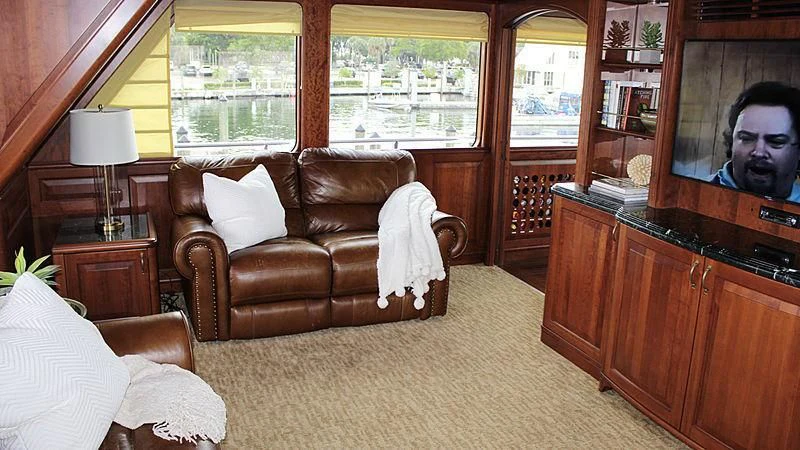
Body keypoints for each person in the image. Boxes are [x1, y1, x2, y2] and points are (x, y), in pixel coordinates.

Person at [710, 81, 800, 201]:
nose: (759, 152)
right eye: (746, 138)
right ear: (731, 143)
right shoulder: (693, 194)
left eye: (776, 142)